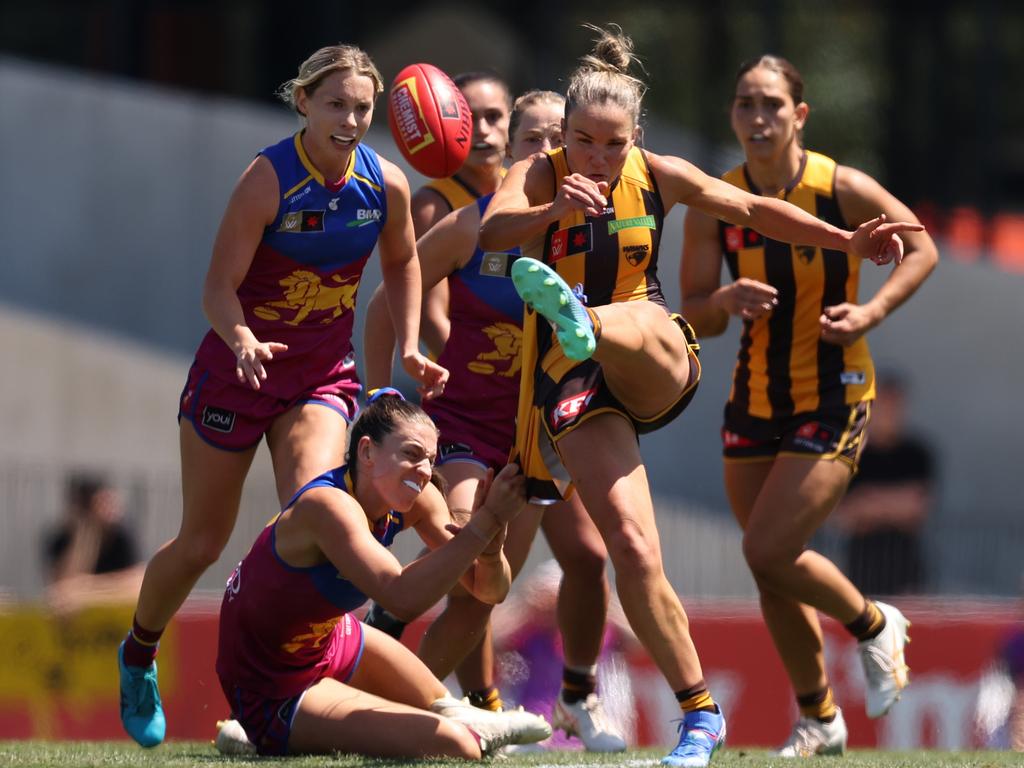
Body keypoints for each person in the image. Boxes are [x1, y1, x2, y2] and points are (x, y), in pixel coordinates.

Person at [479, 26, 922, 768]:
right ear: (564, 134)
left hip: (656, 356)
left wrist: (843, 243)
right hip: (576, 385)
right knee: (630, 551)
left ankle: (586, 318)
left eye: (612, 143)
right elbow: (495, 229)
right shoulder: (540, 175)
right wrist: (552, 212)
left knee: (642, 323)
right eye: (583, 141)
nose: (596, 157)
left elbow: (751, 211)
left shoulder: (658, 173)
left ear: (636, 137)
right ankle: (700, 718)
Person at [117, 43, 447, 748]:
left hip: (319, 377)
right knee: (202, 542)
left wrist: (412, 345)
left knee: (320, 512)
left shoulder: (383, 184)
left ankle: (282, 680)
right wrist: (240, 339)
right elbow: (216, 290)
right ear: (303, 102)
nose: (351, 119)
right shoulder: (267, 181)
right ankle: (139, 653)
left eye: (362, 107)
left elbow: (403, 262)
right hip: (238, 374)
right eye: (336, 104)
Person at [680, 54, 938, 757]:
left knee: (767, 547)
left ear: (800, 115)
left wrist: (872, 311)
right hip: (754, 399)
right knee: (770, 566)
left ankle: (873, 623)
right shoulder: (718, 200)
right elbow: (693, 312)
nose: (756, 118)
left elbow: (923, 249)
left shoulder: (841, 187)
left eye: (771, 104)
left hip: (835, 391)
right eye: (743, 104)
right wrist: (724, 302)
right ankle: (820, 718)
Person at [364, 90, 625, 751]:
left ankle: (578, 698)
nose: (542, 152)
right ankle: (380, 688)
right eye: (530, 140)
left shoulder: (595, 234)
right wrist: (380, 388)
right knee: (472, 570)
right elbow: (384, 304)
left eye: (552, 141)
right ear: (512, 155)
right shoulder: (471, 224)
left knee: (588, 559)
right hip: (465, 430)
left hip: (539, 435)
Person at [214, 390, 550, 758]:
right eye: (410, 454)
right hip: (269, 683)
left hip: (332, 641)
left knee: (450, 711)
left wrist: (490, 547)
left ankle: (472, 718)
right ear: (367, 452)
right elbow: (401, 597)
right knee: (460, 745)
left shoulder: (419, 497)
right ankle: (249, 730)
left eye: (430, 459)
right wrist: (484, 524)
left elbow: (489, 592)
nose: (423, 471)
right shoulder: (327, 506)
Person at [362, 71, 512, 374]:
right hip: (469, 388)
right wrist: (479, 381)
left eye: (494, 116)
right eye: (469, 119)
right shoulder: (432, 206)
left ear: (512, 121)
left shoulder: (520, 189)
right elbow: (430, 319)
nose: (482, 130)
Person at [833, 372, 935, 595]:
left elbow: (917, 509)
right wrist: (895, 502)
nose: (889, 413)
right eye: (883, 405)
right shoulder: (853, 454)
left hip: (905, 569)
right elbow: (846, 515)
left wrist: (869, 499)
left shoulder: (917, 454)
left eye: (894, 405)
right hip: (861, 569)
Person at [42, 472, 143, 614]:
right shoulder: (60, 539)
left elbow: (136, 585)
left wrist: (86, 589)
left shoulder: (121, 536)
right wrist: (84, 536)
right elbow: (61, 590)